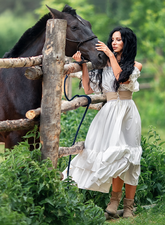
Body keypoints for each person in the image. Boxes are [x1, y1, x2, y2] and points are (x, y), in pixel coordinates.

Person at [62, 26, 142, 218]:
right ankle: (113, 204)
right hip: (109, 114)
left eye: (119, 39)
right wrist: (82, 64)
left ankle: (128, 207)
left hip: (127, 113)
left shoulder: (135, 66)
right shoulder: (104, 65)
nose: (114, 43)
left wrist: (111, 56)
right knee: (113, 156)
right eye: (112, 39)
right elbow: (89, 90)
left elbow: (121, 80)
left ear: (127, 42)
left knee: (131, 159)